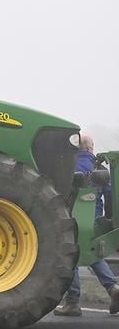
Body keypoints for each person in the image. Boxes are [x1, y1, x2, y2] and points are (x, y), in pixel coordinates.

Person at [55, 134, 119, 316]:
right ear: (91, 149)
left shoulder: (68, 167)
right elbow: (110, 195)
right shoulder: (98, 167)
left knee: (72, 255)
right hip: (94, 219)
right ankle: (113, 287)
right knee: (91, 254)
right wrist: (108, 218)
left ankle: (72, 301)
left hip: (71, 218)